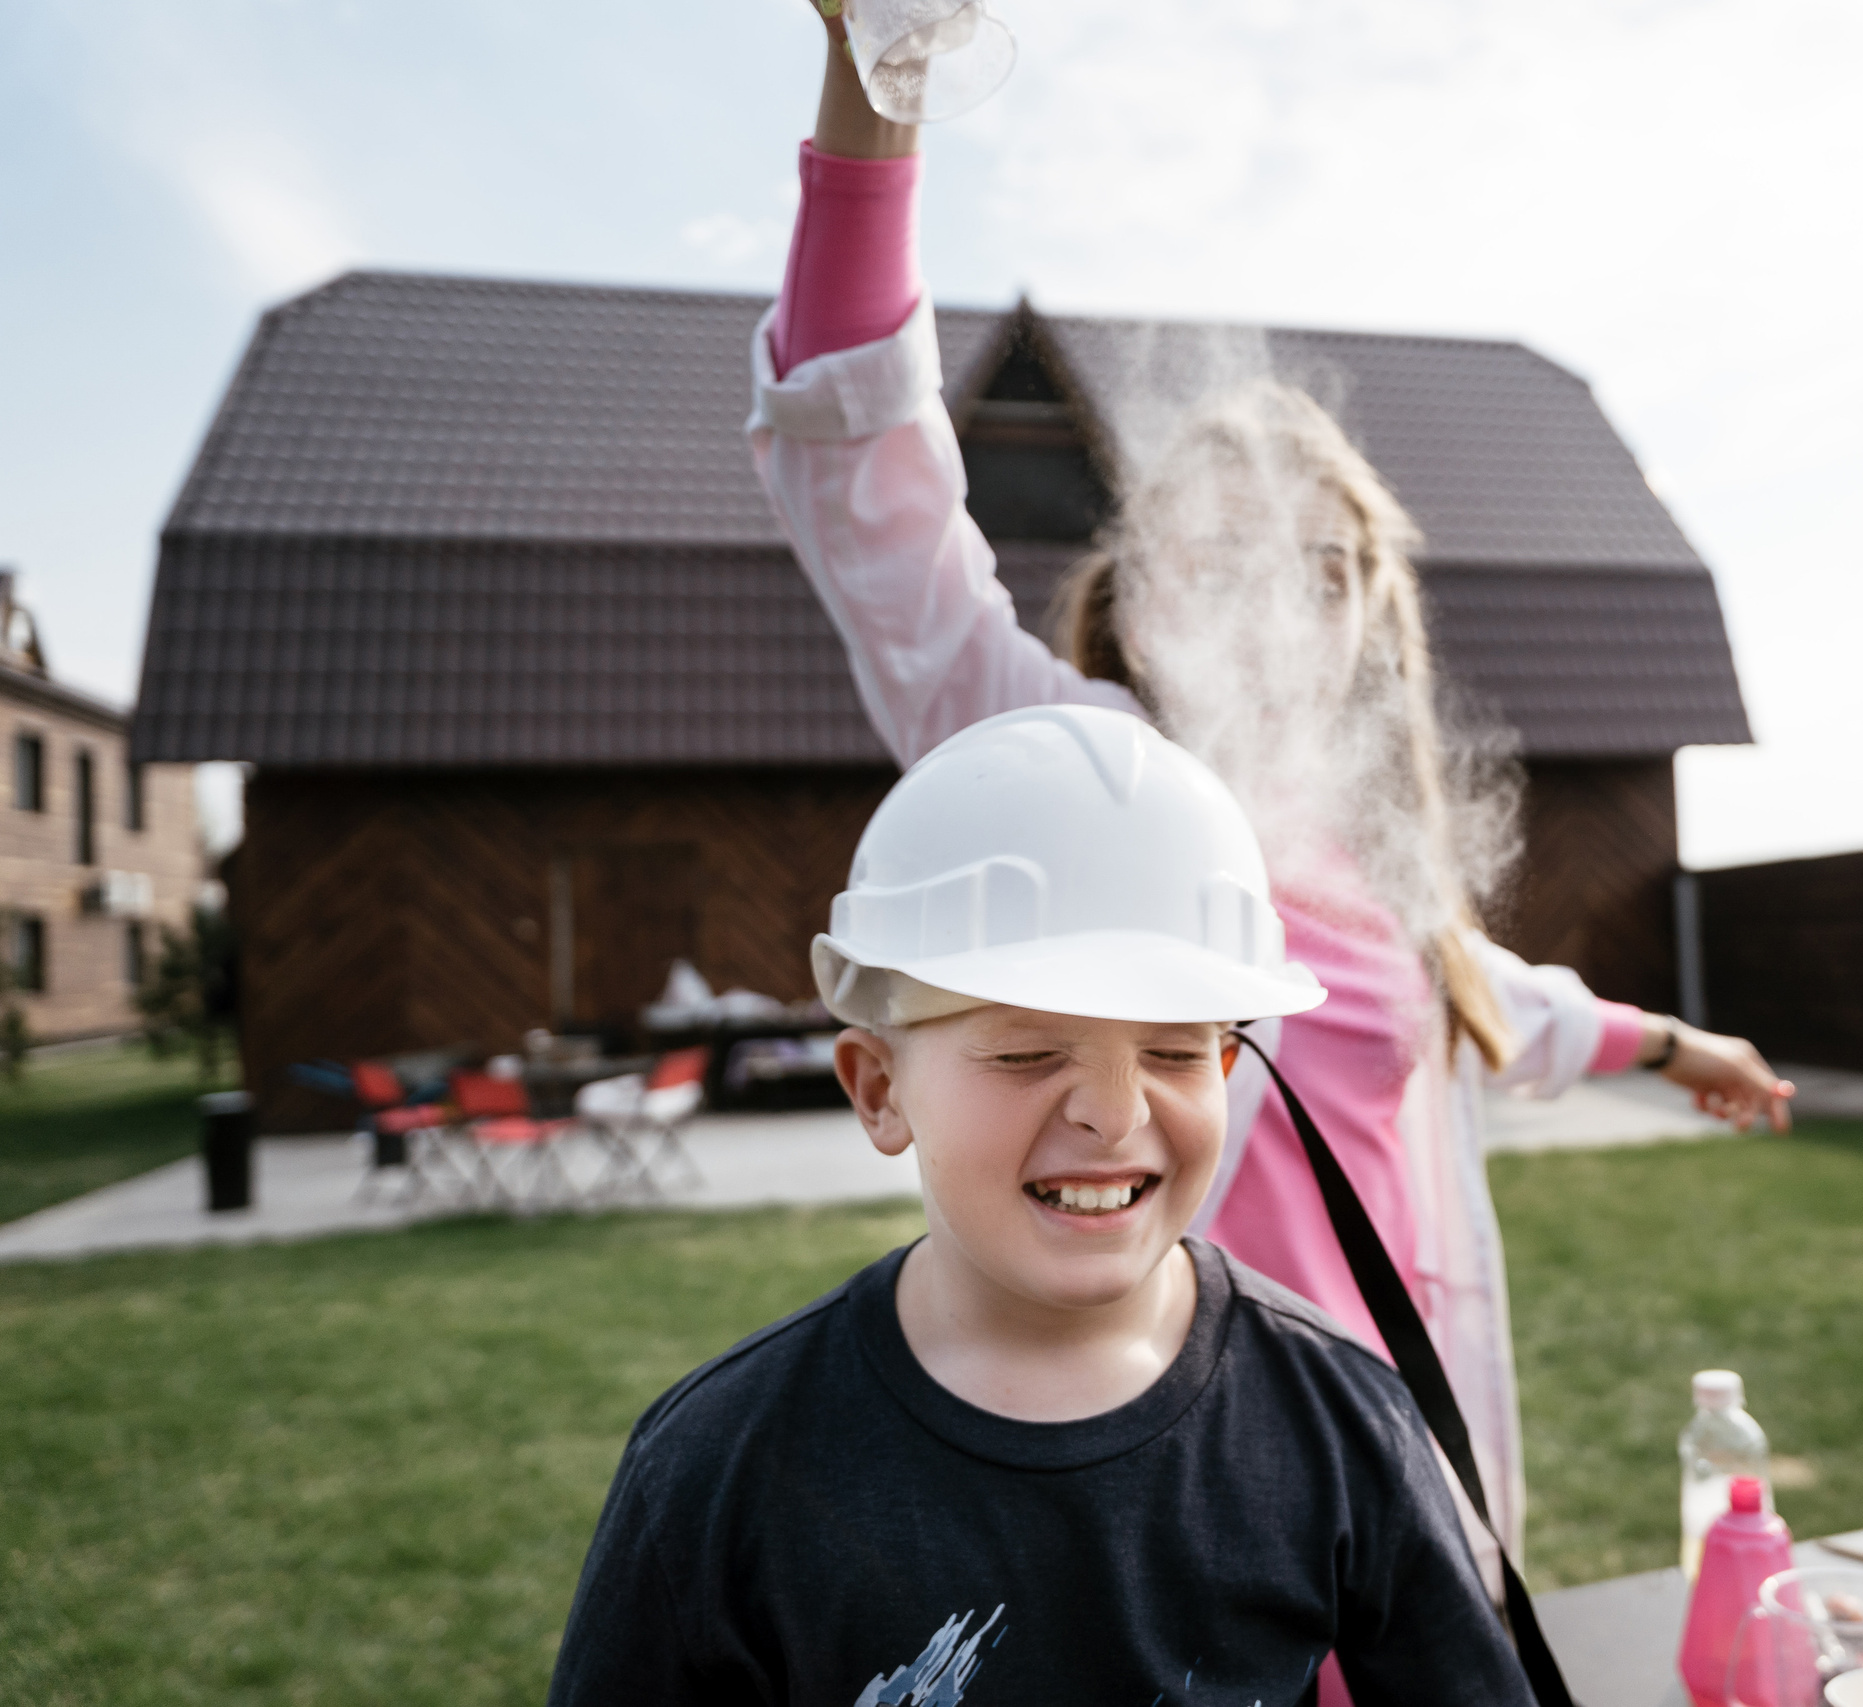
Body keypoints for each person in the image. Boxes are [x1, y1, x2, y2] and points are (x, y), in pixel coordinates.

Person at [751, 0, 1795, 1604]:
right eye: (1218, 544)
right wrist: (873, 83)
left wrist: (1675, 1042)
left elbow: (1491, 1007)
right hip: (1190, 1465)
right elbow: (871, 491)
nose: (1275, 593)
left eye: (1323, 562)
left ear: (1366, 603)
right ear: (1144, 578)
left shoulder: (1372, 851)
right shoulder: (1080, 764)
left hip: (1406, 1455)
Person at [549, 704, 1538, 1705]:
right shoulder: (718, 1470)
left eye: (1174, 1051)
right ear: (879, 1089)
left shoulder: (1338, 1421)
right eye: (1026, 1053)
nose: (1113, 1114)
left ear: (1231, 1065)